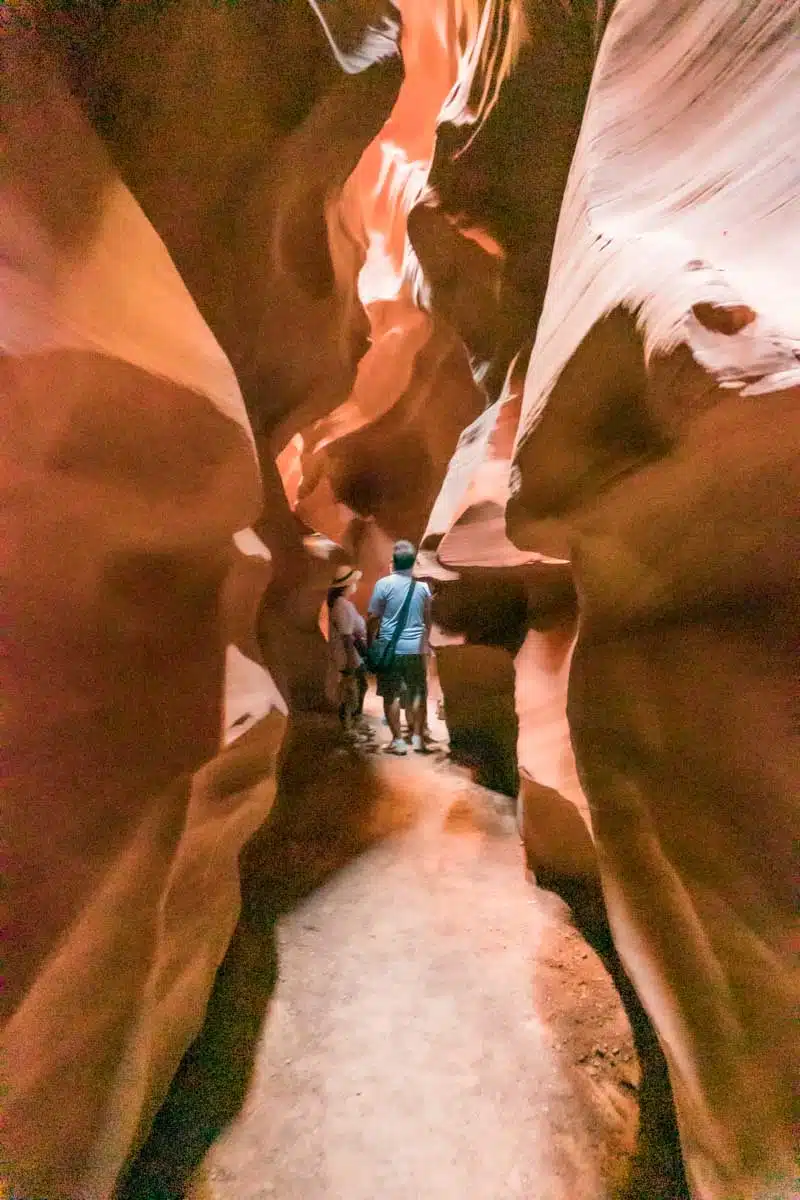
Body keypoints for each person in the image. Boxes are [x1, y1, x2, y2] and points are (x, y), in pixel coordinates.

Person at [367, 540, 432, 755]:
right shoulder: (422, 588)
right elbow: (428, 619)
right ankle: (419, 738)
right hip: (414, 648)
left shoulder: (383, 585)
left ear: (393, 563)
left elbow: (373, 618)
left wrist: (370, 646)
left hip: (390, 649)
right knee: (417, 694)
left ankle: (398, 741)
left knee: (391, 695)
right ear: (413, 564)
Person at [326, 565, 368, 733]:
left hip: (351, 653)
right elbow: (346, 635)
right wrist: (351, 659)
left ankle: (354, 718)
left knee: (359, 685)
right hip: (348, 654)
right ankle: (348, 723)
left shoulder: (340, 604)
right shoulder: (342, 605)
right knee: (350, 689)